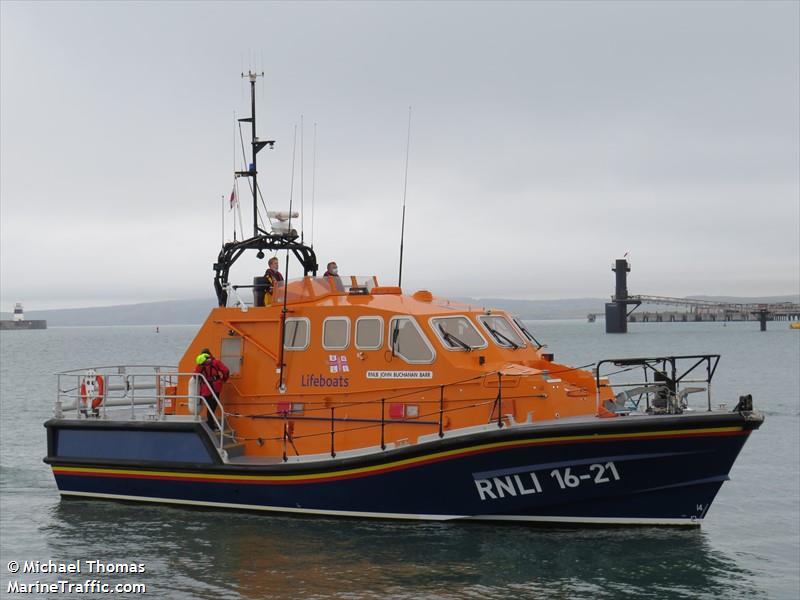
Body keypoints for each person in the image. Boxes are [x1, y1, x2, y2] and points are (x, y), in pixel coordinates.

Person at [194, 348, 230, 430]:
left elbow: (195, 376)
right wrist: (224, 379)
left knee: (210, 407)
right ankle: (211, 425)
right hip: (216, 387)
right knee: (213, 406)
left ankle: (211, 425)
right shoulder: (216, 362)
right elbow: (226, 371)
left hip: (205, 388)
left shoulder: (200, 365)